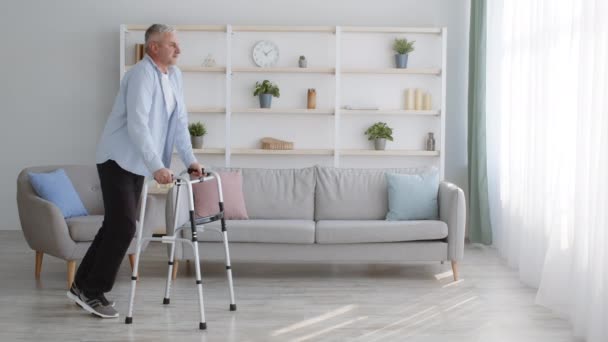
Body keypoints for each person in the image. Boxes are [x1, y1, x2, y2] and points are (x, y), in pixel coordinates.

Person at [66, 24, 203, 318]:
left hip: (137, 163)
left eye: (177, 44)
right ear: (153, 47)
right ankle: (93, 291)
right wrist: (158, 167)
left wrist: (190, 159)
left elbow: (180, 122)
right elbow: (137, 125)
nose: (178, 50)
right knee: (125, 226)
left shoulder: (174, 76)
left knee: (115, 225)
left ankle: (80, 286)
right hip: (117, 158)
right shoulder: (140, 75)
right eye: (171, 44)